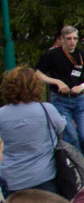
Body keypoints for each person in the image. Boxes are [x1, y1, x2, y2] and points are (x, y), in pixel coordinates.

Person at [35, 25, 84, 157]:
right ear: (62, 39)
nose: (72, 41)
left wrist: (83, 86)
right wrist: (56, 82)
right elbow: (38, 74)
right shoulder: (52, 54)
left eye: (75, 38)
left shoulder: (82, 55)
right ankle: (77, 165)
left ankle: (79, 162)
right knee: (71, 137)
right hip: (60, 100)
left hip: (79, 100)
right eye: (69, 38)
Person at [0, 67, 67, 195]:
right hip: (44, 175)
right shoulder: (46, 109)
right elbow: (61, 127)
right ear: (36, 86)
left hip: (12, 179)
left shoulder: (2, 114)